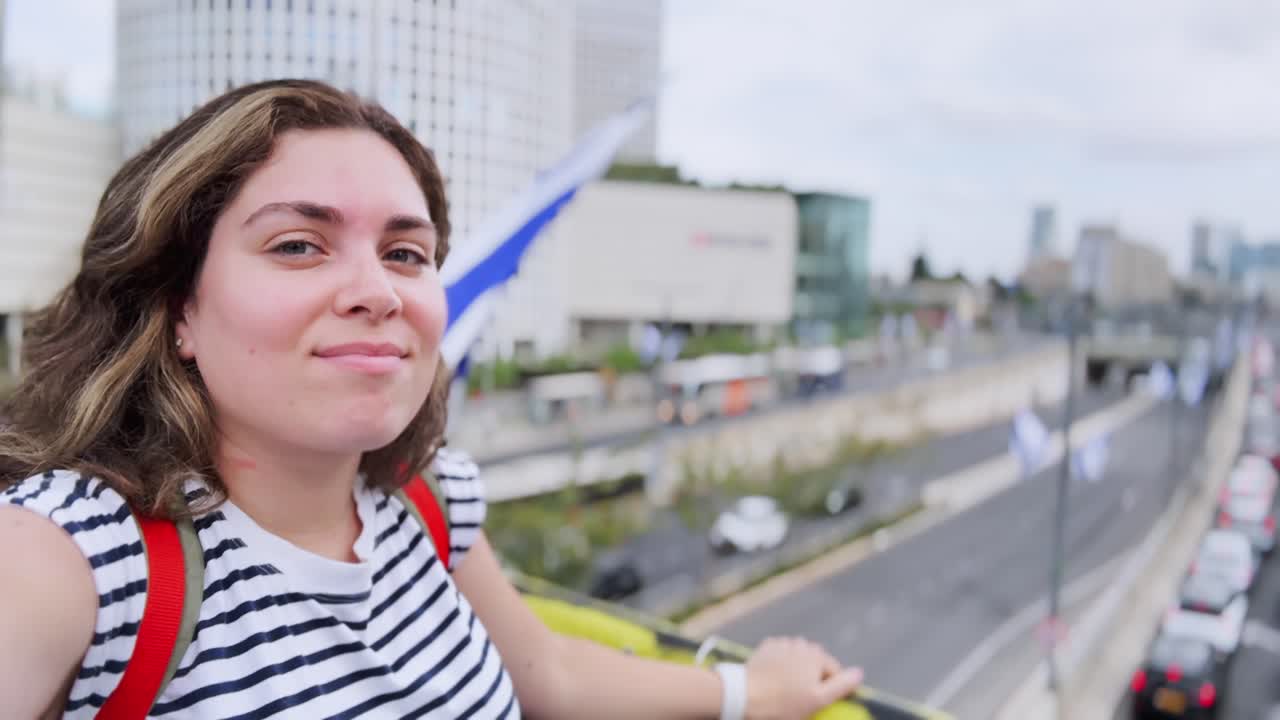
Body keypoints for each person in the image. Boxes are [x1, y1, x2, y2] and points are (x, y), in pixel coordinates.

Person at [0, 79, 862, 719]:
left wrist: (754, 691)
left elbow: (547, 675)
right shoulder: (71, 556)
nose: (377, 290)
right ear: (179, 307)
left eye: (406, 254)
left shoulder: (420, 492)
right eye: (300, 245)